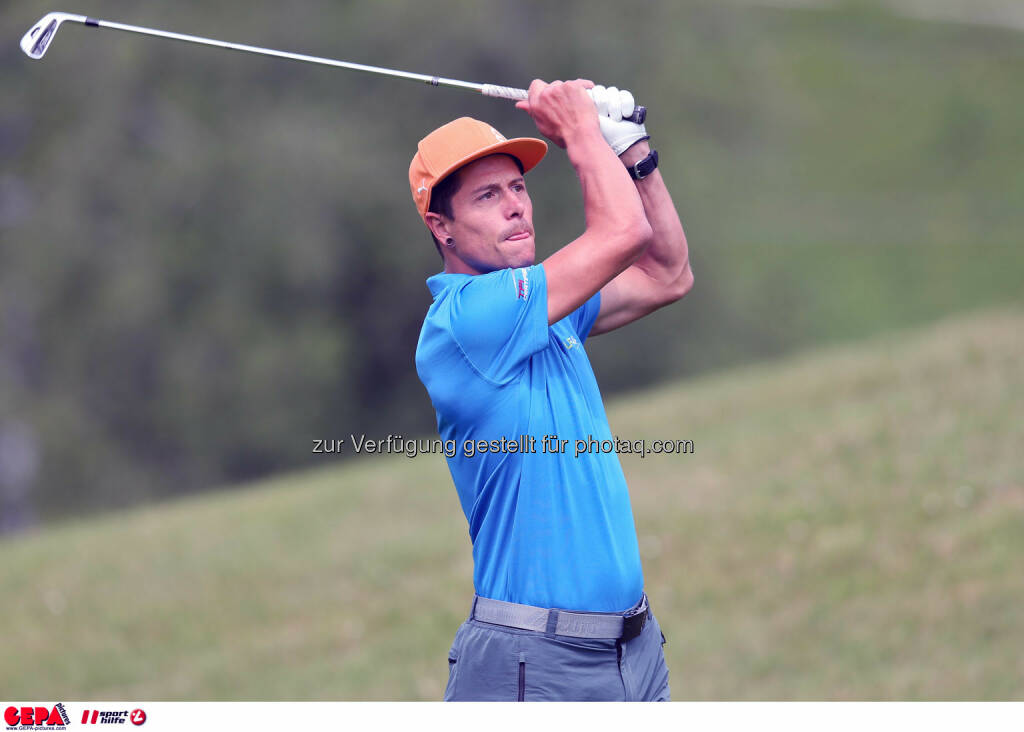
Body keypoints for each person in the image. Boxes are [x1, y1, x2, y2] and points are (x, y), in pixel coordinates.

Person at [410, 79, 693, 701]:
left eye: (518, 187)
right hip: (534, 666)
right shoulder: (468, 319)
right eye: (487, 196)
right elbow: (621, 236)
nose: (516, 206)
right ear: (443, 226)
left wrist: (635, 156)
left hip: (634, 654)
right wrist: (582, 133)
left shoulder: (546, 307)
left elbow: (667, 273)